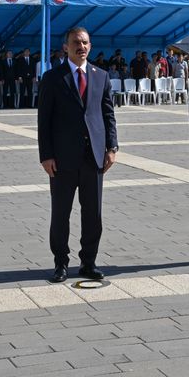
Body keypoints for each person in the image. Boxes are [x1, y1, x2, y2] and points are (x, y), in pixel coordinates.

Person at [37, 26, 118, 283]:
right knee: (61, 213)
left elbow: (108, 115)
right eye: (75, 43)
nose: (80, 47)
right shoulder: (52, 77)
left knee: (93, 213)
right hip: (62, 159)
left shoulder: (101, 76)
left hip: (93, 156)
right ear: (65, 47)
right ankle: (60, 262)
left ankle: (89, 262)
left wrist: (112, 148)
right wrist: (46, 155)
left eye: (84, 43)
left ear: (90, 46)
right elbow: (44, 120)